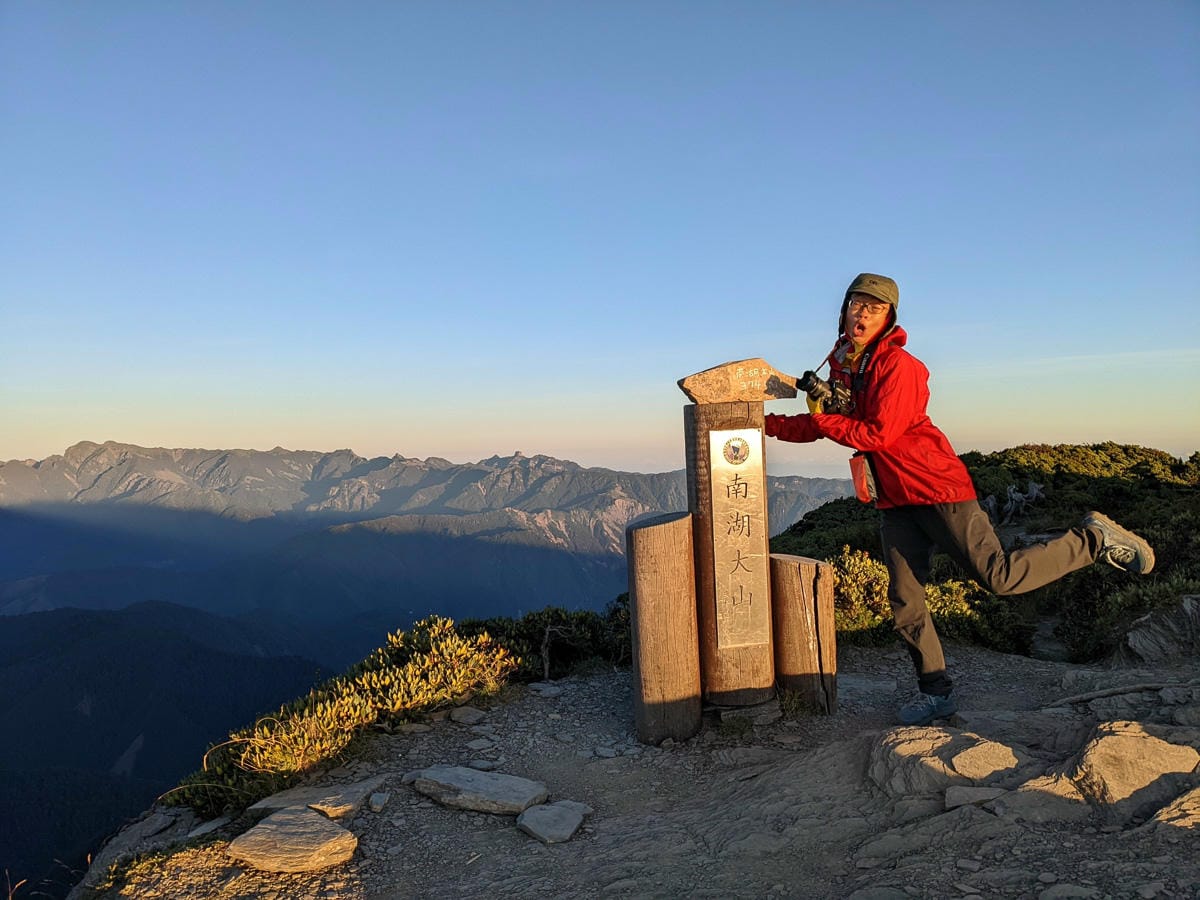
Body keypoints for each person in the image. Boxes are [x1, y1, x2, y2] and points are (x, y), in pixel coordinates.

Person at [764, 273, 1155, 726]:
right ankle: (937, 695)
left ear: (889, 318)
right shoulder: (848, 367)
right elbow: (820, 425)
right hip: (896, 500)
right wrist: (763, 426)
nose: (863, 312)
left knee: (1000, 577)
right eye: (856, 303)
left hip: (936, 489)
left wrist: (828, 417)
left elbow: (878, 434)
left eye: (874, 306)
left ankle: (1091, 540)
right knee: (906, 601)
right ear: (844, 310)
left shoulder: (899, 367)